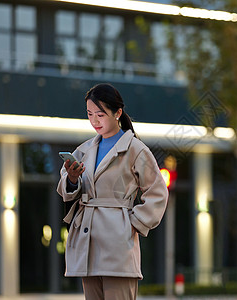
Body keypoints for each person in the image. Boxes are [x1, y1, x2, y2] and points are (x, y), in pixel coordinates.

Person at [57, 83, 169, 299]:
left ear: (118, 113)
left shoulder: (136, 150)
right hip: (87, 244)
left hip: (119, 246)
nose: (94, 121)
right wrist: (72, 179)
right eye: (89, 114)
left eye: (100, 114)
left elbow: (157, 193)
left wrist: (132, 224)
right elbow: (67, 191)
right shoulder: (84, 149)